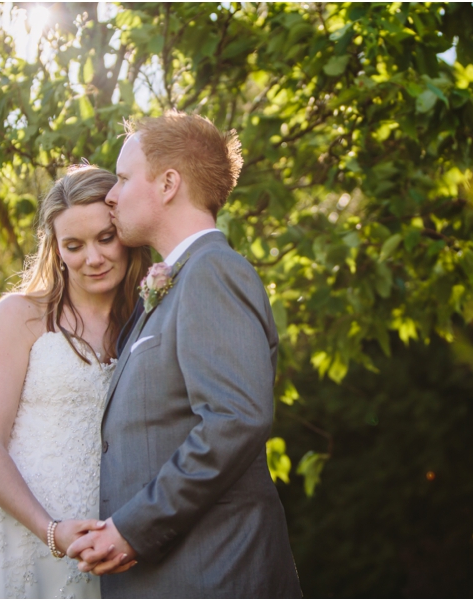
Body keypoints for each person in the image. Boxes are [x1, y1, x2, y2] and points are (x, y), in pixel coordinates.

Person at [66, 111, 302, 597]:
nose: (112, 194)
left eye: (125, 178)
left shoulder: (213, 271)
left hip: (214, 574)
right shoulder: (176, 282)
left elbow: (235, 419)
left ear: (169, 183)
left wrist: (133, 528)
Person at [0, 166, 151, 598]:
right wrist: (51, 531)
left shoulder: (147, 318)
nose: (92, 258)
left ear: (126, 233)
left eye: (105, 238)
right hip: (22, 530)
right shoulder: (20, 315)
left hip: (111, 538)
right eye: (73, 246)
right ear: (55, 250)